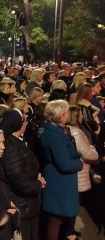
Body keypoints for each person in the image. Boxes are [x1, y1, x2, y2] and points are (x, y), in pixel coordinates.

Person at [39, 100, 83, 240]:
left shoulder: (53, 130)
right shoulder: (55, 135)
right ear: (61, 114)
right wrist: (79, 163)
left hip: (58, 180)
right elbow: (64, 164)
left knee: (57, 218)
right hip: (59, 182)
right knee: (56, 220)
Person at [0, 109, 45, 240]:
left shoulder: (16, 141)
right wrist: (37, 183)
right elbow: (17, 179)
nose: (27, 124)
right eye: (24, 121)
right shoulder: (11, 147)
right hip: (22, 205)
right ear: (18, 125)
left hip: (26, 203)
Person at [66, 105, 99, 239]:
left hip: (79, 172)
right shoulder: (76, 133)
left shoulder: (71, 130)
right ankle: (69, 232)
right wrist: (93, 149)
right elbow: (88, 153)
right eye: (80, 115)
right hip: (79, 173)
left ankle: (70, 230)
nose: (82, 118)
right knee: (74, 204)